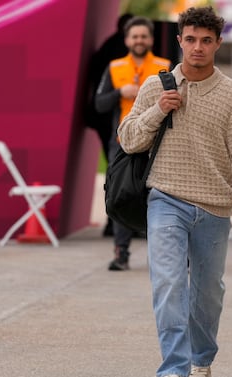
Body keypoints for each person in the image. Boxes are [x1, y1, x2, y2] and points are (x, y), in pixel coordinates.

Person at [118, 6, 232, 377]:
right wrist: (157, 110)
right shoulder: (157, 85)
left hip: (215, 205)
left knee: (207, 291)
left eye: (206, 40)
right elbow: (128, 138)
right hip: (165, 199)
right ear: (180, 40)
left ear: (217, 43)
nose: (197, 47)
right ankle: (172, 371)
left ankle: (202, 362)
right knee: (167, 282)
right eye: (190, 39)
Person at [95, 16, 171, 271]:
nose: (139, 40)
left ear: (151, 39)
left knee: (161, 198)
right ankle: (121, 253)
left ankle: (163, 255)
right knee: (122, 196)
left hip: (158, 143)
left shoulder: (165, 67)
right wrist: (119, 92)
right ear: (127, 40)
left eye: (143, 36)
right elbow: (99, 104)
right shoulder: (115, 68)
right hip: (123, 143)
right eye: (134, 36)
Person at [87, 13, 134, 237]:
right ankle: (117, 225)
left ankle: (118, 224)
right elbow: (100, 96)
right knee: (120, 177)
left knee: (119, 177)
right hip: (112, 123)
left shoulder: (108, 48)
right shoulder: (115, 58)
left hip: (114, 123)